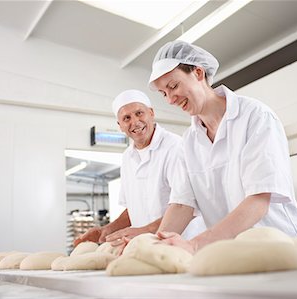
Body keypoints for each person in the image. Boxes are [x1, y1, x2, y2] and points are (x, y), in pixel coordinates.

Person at [148, 40, 297, 254]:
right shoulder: (189, 140)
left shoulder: (255, 117)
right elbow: (181, 204)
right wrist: (152, 248)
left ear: (198, 73)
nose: (170, 99)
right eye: (163, 93)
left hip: (283, 248)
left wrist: (195, 244)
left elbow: (258, 199)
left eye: (173, 86)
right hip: (234, 254)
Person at [74, 89, 205, 248]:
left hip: (183, 244)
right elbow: (133, 209)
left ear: (151, 113)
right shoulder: (128, 157)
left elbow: (187, 207)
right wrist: (106, 230)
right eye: (126, 118)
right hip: (147, 246)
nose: (135, 122)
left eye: (139, 113)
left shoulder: (175, 147)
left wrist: (145, 231)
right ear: (120, 126)